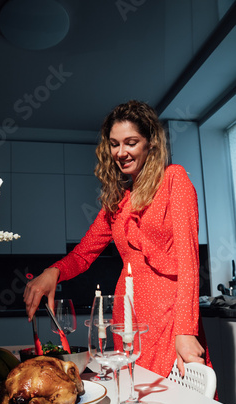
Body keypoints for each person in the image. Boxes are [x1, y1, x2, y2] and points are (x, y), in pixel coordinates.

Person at [24, 100, 212, 378]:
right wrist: (53, 272)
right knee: (133, 400)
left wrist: (185, 331)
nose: (121, 152)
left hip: (169, 315)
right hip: (127, 317)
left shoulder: (175, 179)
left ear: (151, 143)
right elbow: (82, 254)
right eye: (114, 144)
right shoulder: (118, 202)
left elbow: (188, 261)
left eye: (131, 142)